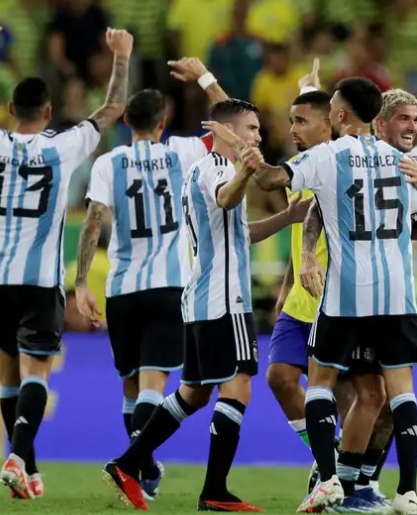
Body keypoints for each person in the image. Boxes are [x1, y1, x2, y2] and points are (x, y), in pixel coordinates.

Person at [0, 17, 132, 500]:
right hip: (40, 280)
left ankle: (26, 465)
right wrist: (122, 56)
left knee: (9, 374)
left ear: (9, 109)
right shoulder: (63, 146)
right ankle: (18, 457)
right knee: (37, 372)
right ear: (48, 111)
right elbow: (112, 109)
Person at [246, 77, 417, 515]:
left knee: (320, 384)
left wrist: (250, 158)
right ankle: (409, 494)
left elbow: (272, 182)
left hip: (344, 295)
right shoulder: (407, 162)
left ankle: (328, 481)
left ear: (339, 116)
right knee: (401, 394)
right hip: (397, 297)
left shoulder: (326, 156)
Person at [102, 99, 304, 512]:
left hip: (201, 298)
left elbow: (238, 231)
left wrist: (288, 216)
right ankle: (214, 489)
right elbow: (228, 199)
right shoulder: (216, 168)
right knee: (239, 385)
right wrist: (247, 169)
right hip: (224, 299)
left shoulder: (206, 170)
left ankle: (127, 463)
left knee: (192, 394)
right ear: (228, 131)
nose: (258, 136)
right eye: (251, 128)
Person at [296, 57, 417, 502]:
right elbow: (315, 206)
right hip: (342, 292)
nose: (414, 128)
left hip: (380, 295)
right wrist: (308, 253)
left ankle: (356, 482)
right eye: (404, 119)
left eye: (416, 118)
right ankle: (338, 475)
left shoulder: (415, 162)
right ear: (381, 121)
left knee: (378, 398)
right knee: (359, 393)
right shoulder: (349, 152)